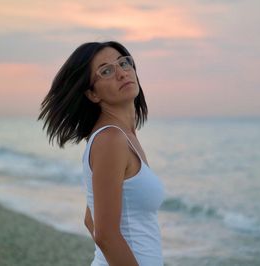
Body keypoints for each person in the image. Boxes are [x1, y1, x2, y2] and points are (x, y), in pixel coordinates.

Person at [38, 41, 165, 266]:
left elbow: (90, 219)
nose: (121, 73)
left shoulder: (124, 137)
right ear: (92, 94)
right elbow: (104, 235)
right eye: (106, 71)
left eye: (124, 63)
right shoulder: (111, 140)